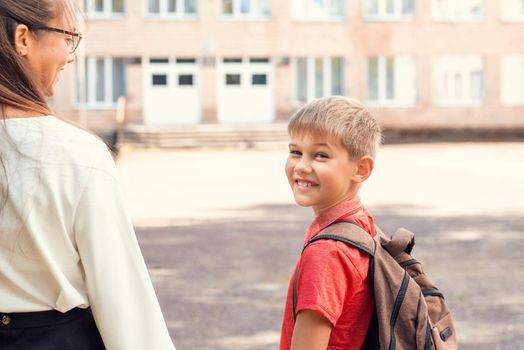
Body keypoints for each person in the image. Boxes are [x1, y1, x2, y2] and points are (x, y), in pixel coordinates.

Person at [0, 1, 176, 349]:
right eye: (68, 37)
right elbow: (122, 295)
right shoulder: (76, 153)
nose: (71, 55)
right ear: (23, 38)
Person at [279, 96, 382, 350]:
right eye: (295, 152)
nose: (301, 166)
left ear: (361, 169)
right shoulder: (360, 222)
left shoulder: (328, 252)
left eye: (321, 155)